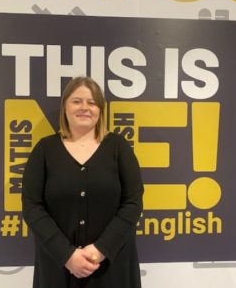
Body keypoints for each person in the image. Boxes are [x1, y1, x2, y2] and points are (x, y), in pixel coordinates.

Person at [22, 76, 144, 288]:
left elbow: (133, 203)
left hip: (112, 269)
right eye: (77, 101)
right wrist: (67, 255)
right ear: (65, 107)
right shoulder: (44, 150)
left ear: (100, 110)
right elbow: (32, 206)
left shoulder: (119, 147)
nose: (85, 108)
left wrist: (101, 250)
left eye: (92, 102)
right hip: (58, 269)